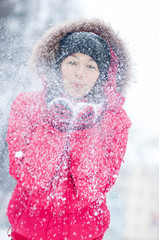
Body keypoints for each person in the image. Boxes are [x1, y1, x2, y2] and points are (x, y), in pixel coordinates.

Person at [6, 19, 132, 240]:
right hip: (27, 233)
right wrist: (55, 126)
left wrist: (85, 128)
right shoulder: (28, 105)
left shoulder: (114, 121)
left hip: (83, 235)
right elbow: (30, 177)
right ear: (57, 64)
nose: (80, 74)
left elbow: (93, 187)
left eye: (91, 66)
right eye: (72, 62)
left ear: (102, 76)